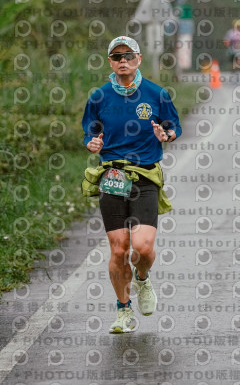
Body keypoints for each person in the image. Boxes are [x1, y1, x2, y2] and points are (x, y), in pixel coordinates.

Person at [81, 36, 182, 333]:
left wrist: (166, 135)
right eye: (116, 56)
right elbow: (90, 132)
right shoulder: (98, 97)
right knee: (119, 249)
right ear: (110, 62)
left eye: (128, 55)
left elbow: (173, 126)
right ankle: (123, 310)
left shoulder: (157, 94)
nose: (122, 60)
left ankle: (142, 278)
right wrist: (92, 143)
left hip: (145, 175)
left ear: (138, 59)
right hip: (112, 177)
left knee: (143, 248)